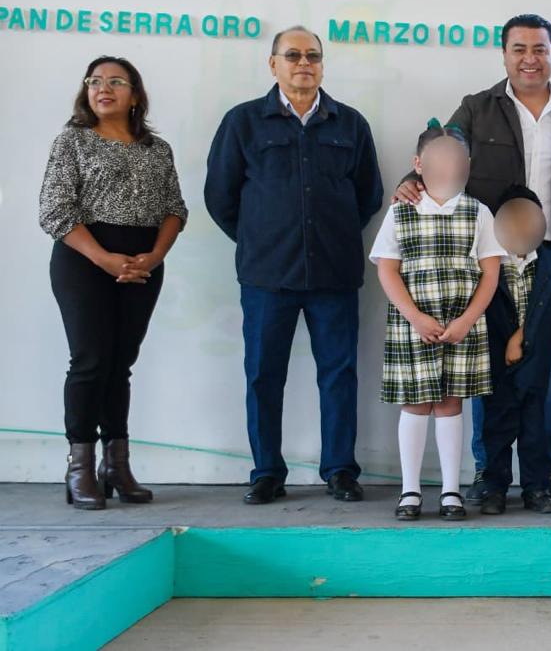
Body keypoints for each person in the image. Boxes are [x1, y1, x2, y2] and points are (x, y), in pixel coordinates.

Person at [393, 14, 551, 504]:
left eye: (539, 48)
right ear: (504, 54)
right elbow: (440, 153)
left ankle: (543, 477)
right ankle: (490, 476)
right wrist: (410, 184)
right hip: (489, 259)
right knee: (489, 370)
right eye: (519, 49)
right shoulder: (476, 109)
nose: (530, 58)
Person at [205, 26, 383, 505]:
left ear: (322, 65)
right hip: (268, 278)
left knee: (339, 375)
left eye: (313, 55)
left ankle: (341, 470)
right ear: (273, 64)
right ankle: (266, 472)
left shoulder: (350, 124)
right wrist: (262, 239)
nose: (304, 63)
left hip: (334, 275)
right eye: (293, 55)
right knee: (264, 375)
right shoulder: (243, 122)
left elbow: (368, 196)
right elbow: (219, 198)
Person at [39, 56, 188, 510]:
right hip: (84, 260)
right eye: (95, 82)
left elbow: (175, 209)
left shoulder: (156, 149)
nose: (103, 88)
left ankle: (116, 465)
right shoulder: (72, 142)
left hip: (142, 263)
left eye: (115, 82)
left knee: (120, 364)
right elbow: (54, 210)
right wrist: (105, 260)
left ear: (135, 94)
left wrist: (155, 255)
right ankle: (79, 468)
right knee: (89, 361)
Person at [371, 121, 502, 521]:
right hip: (415, 324)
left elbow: (491, 271)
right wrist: (415, 317)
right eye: (439, 159)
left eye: (457, 160)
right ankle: (410, 490)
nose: (449, 168)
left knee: (450, 404)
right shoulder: (401, 212)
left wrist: (467, 320)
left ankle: (450, 491)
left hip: (462, 325)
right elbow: (387, 270)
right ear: (418, 164)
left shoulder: (478, 212)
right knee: (416, 403)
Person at [480, 185, 551, 515]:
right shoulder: (488, 263)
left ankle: (535, 488)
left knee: (534, 430)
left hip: (536, 365)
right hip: (496, 364)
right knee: (496, 427)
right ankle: (494, 487)